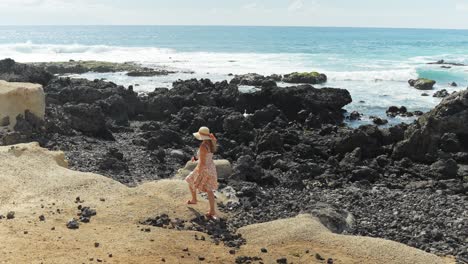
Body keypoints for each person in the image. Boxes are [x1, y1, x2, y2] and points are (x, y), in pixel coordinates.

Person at [185, 126, 219, 220]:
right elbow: (204, 156)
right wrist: (195, 158)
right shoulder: (211, 142)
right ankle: (212, 211)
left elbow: (202, 162)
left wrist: (198, 173)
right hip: (211, 168)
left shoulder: (203, 146)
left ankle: (194, 199)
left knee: (190, 180)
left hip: (203, 168)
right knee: (209, 190)